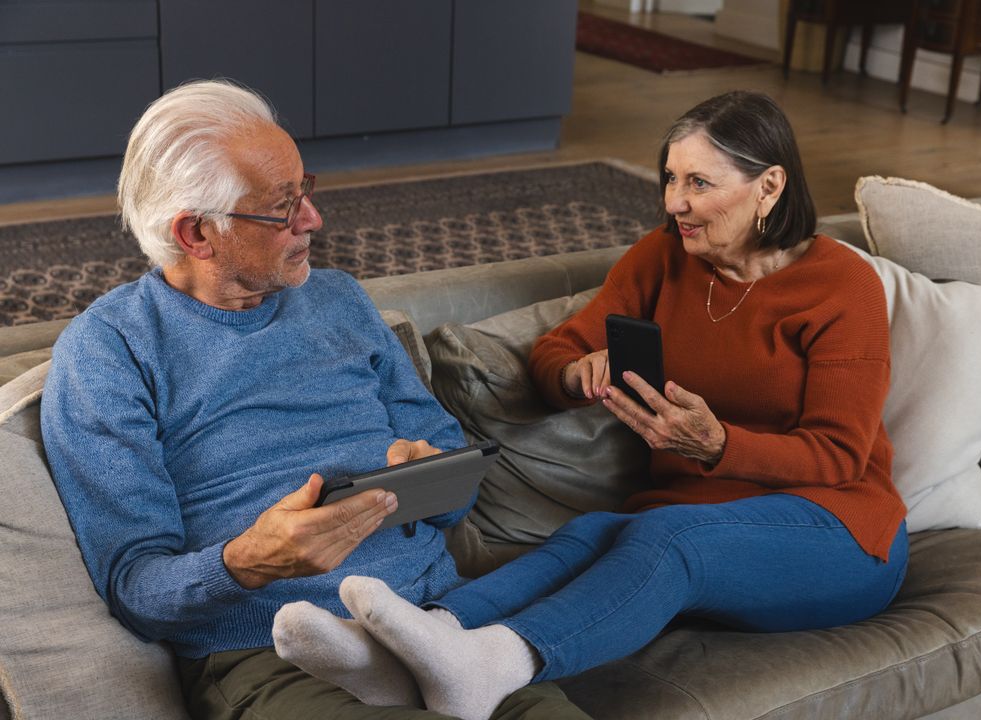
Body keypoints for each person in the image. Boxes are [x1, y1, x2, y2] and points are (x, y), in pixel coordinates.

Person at [278, 90, 910, 720]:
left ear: (769, 186)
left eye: (699, 182)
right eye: (669, 177)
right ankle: (397, 646)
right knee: (590, 533)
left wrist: (718, 445)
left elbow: (839, 456)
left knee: (665, 534)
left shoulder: (840, 286)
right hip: (693, 516)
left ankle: (493, 664)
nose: (674, 202)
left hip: (838, 533)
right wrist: (575, 375)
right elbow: (558, 350)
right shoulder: (665, 259)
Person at [39, 79, 590, 720]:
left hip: (439, 628)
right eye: (282, 207)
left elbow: (454, 477)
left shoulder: (339, 300)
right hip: (269, 650)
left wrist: (432, 479)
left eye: (306, 190)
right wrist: (245, 563)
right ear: (195, 233)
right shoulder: (111, 350)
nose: (312, 219)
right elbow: (135, 588)